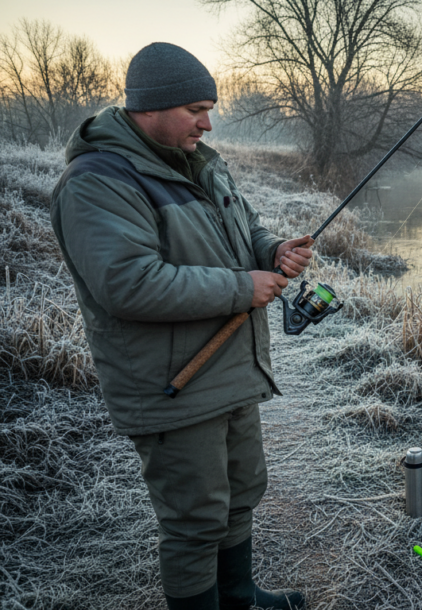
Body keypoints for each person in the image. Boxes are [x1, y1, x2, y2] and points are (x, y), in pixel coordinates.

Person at [50, 43, 309, 610]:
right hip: (171, 386)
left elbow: (245, 229)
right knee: (195, 520)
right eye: (196, 110)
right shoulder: (96, 181)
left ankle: (239, 597)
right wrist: (242, 288)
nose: (207, 124)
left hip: (232, 370)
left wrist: (272, 250)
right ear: (149, 106)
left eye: (209, 109)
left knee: (241, 494)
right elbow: (128, 284)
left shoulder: (202, 162)